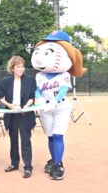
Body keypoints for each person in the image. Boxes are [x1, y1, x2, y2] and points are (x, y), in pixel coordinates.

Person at [31, 30, 86, 180]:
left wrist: (54, 101)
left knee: (57, 135)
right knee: (50, 137)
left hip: (60, 107)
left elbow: (62, 90)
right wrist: (39, 99)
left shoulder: (65, 74)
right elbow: (37, 90)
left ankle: (58, 164)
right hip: (45, 109)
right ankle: (55, 159)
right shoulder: (39, 75)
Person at [0, 56, 36, 178]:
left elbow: (32, 96)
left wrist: (26, 106)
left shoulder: (30, 80)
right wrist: (9, 105)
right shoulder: (5, 81)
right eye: (18, 67)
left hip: (25, 114)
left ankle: (28, 166)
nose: (21, 69)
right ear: (12, 68)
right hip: (11, 115)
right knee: (13, 140)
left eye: (22, 66)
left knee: (25, 140)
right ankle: (14, 164)